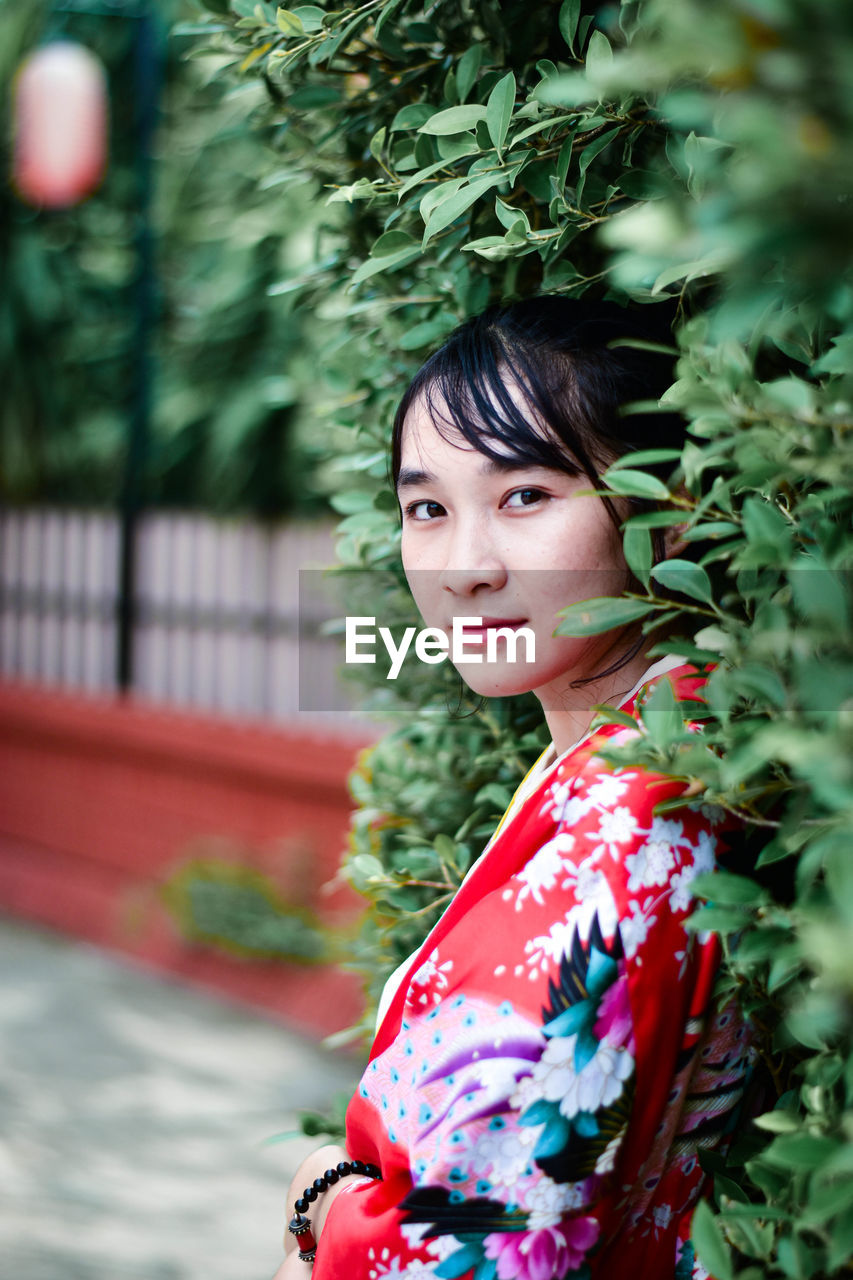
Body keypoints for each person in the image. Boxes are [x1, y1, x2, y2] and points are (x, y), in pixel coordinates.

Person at [274, 298, 753, 1280]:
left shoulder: (628, 824)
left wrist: (321, 1196)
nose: (465, 567)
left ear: (667, 505)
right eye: (428, 508)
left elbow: (477, 1247)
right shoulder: (675, 744)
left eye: (525, 494)